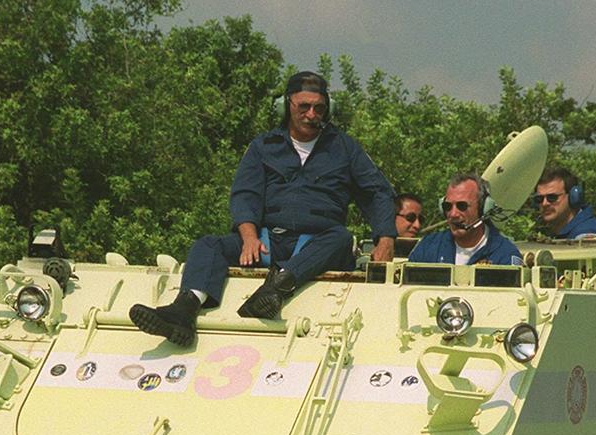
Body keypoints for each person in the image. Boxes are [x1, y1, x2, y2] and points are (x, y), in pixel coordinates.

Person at [128, 71, 397, 347]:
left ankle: (274, 291)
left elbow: (378, 191)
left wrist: (385, 238)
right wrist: (248, 236)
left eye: (319, 107)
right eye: (303, 106)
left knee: (341, 237)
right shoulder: (263, 146)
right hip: (269, 241)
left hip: (319, 246)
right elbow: (245, 194)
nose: (311, 114)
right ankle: (184, 310)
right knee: (209, 245)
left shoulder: (344, 148)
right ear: (286, 105)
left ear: (328, 107)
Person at [407, 173, 523, 265]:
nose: (453, 214)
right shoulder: (427, 247)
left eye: (461, 206)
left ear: (483, 208)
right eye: (447, 206)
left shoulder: (504, 254)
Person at [533, 166, 596, 239]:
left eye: (552, 197)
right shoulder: (561, 232)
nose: (544, 203)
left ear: (573, 196)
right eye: (539, 199)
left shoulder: (584, 235)